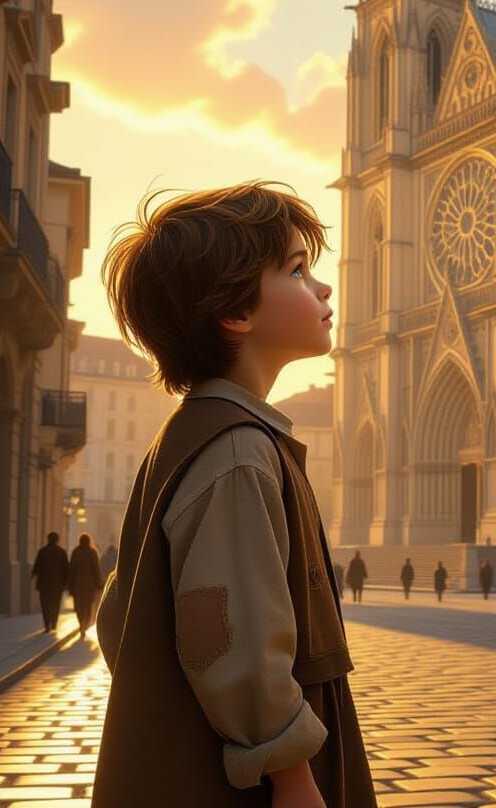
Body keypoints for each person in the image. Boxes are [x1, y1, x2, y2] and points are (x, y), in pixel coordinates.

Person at [92, 183, 376, 807]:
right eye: (299, 270)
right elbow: (230, 639)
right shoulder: (240, 453)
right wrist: (292, 774)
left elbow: (119, 619)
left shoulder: (189, 435)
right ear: (236, 313)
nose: (323, 288)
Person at [67, 532, 104, 639]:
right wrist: (99, 583)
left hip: (77, 586)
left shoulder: (75, 552)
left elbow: (72, 569)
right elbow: (96, 569)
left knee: (78, 607)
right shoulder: (93, 552)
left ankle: (81, 623)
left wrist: (69, 584)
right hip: (90, 587)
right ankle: (85, 623)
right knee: (87, 606)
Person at [31, 532, 69, 633]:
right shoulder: (61, 552)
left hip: (44, 583)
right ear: (57, 540)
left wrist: (33, 574)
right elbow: (66, 568)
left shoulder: (43, 551)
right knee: (55, 604)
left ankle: (47, 624)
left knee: (45, 604)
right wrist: (66, 583)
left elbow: (37, 565)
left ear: (48, 539)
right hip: (57, 584)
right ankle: (54, 622)